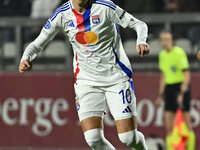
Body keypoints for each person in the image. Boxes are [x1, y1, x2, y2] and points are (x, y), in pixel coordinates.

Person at [19, 0, 150, 149]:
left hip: (116, 77)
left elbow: (139, 24)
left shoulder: (105, 7)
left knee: (128, 138)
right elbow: (37, 43)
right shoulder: (62, 14)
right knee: (93, 139)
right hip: (86, 81)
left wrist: (142, 41)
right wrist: (26, 58)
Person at [156, 31, 195, 150]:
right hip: (169, 89)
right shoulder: (162, 55)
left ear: (172, 40)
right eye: (163, 39)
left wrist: (182, 94)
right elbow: (163, 76)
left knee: (187, 124)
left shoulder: (179, 53)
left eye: (168, 39)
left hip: (181, 87)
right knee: (168, 125)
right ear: (160, 42)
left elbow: (186, 74)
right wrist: (160, 95)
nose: (165, 41)